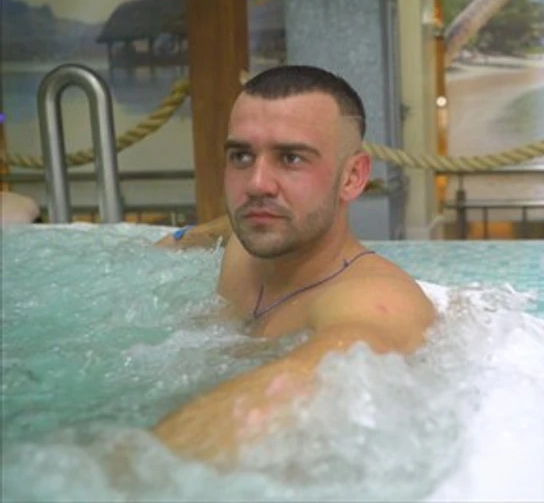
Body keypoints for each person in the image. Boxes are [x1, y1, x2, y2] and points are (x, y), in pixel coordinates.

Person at [150, 65, 437, 466]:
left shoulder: (374, 299)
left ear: (352, 177)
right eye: (241, 156)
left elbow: (324, 373)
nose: (257, 184)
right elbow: (221, 229)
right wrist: (177, 241)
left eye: (290, 158)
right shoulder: (248, 242)